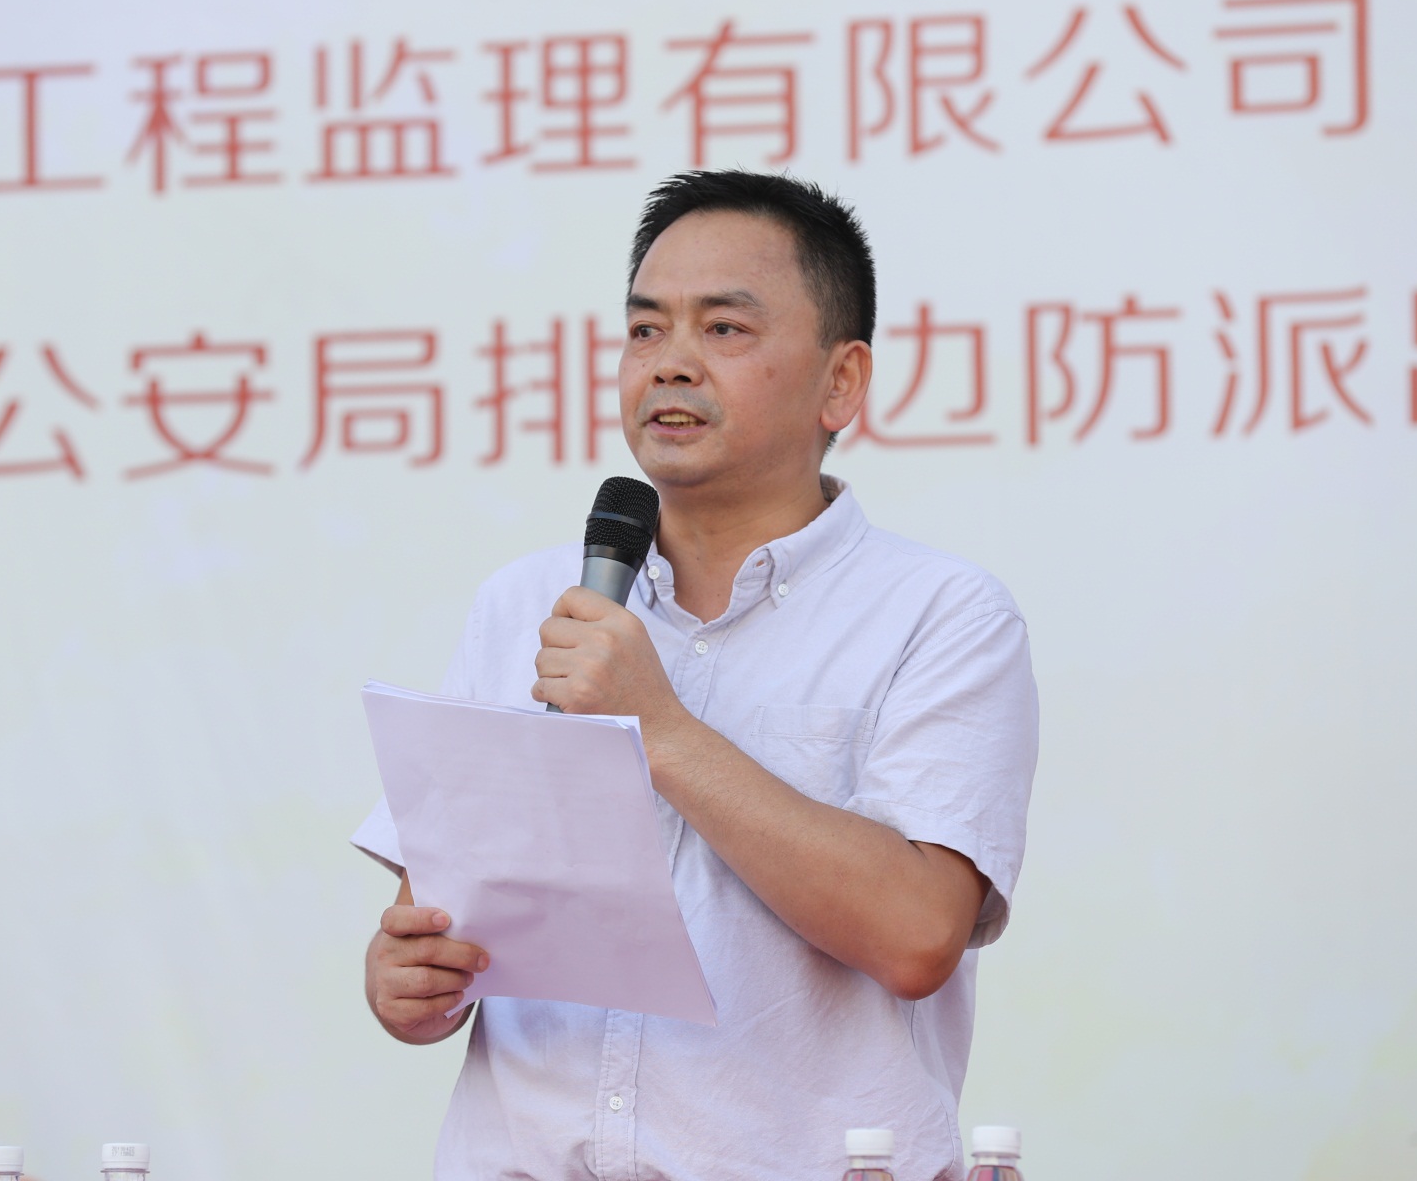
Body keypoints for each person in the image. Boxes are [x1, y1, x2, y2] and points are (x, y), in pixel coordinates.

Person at [351, 170, 1039, 1181]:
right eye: (645, 330)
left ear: (842, 381)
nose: (670, 363)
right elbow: (439, 921)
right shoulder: (525, 601)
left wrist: (661, 731)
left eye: (724, 328)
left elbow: (917, 935)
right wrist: (409, 981)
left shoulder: (941, 614)